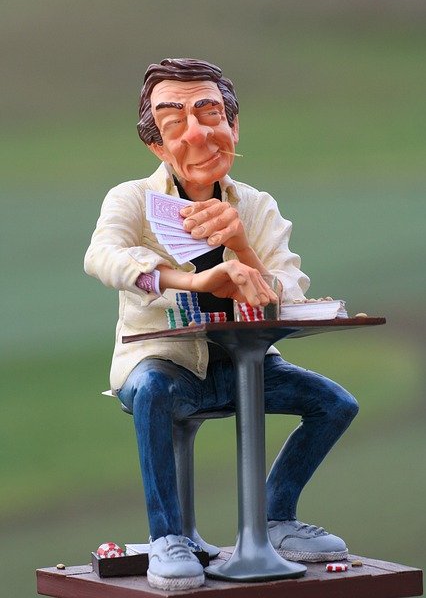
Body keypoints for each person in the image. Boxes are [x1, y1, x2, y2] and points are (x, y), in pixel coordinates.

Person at [84, 58, 359, 591]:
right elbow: (103, 257)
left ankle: (274, 517)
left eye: (210, 114)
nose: (197, 134)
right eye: (174, 123)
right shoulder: (133, 200)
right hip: (166, 365)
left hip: (243, 367)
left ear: (234, 126)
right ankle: (168, 537)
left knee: (335, 404)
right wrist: (193, 281)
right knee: (152, 391)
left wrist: (241, 247)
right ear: (156, 144)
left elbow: (288, 291)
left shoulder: (254, 205)